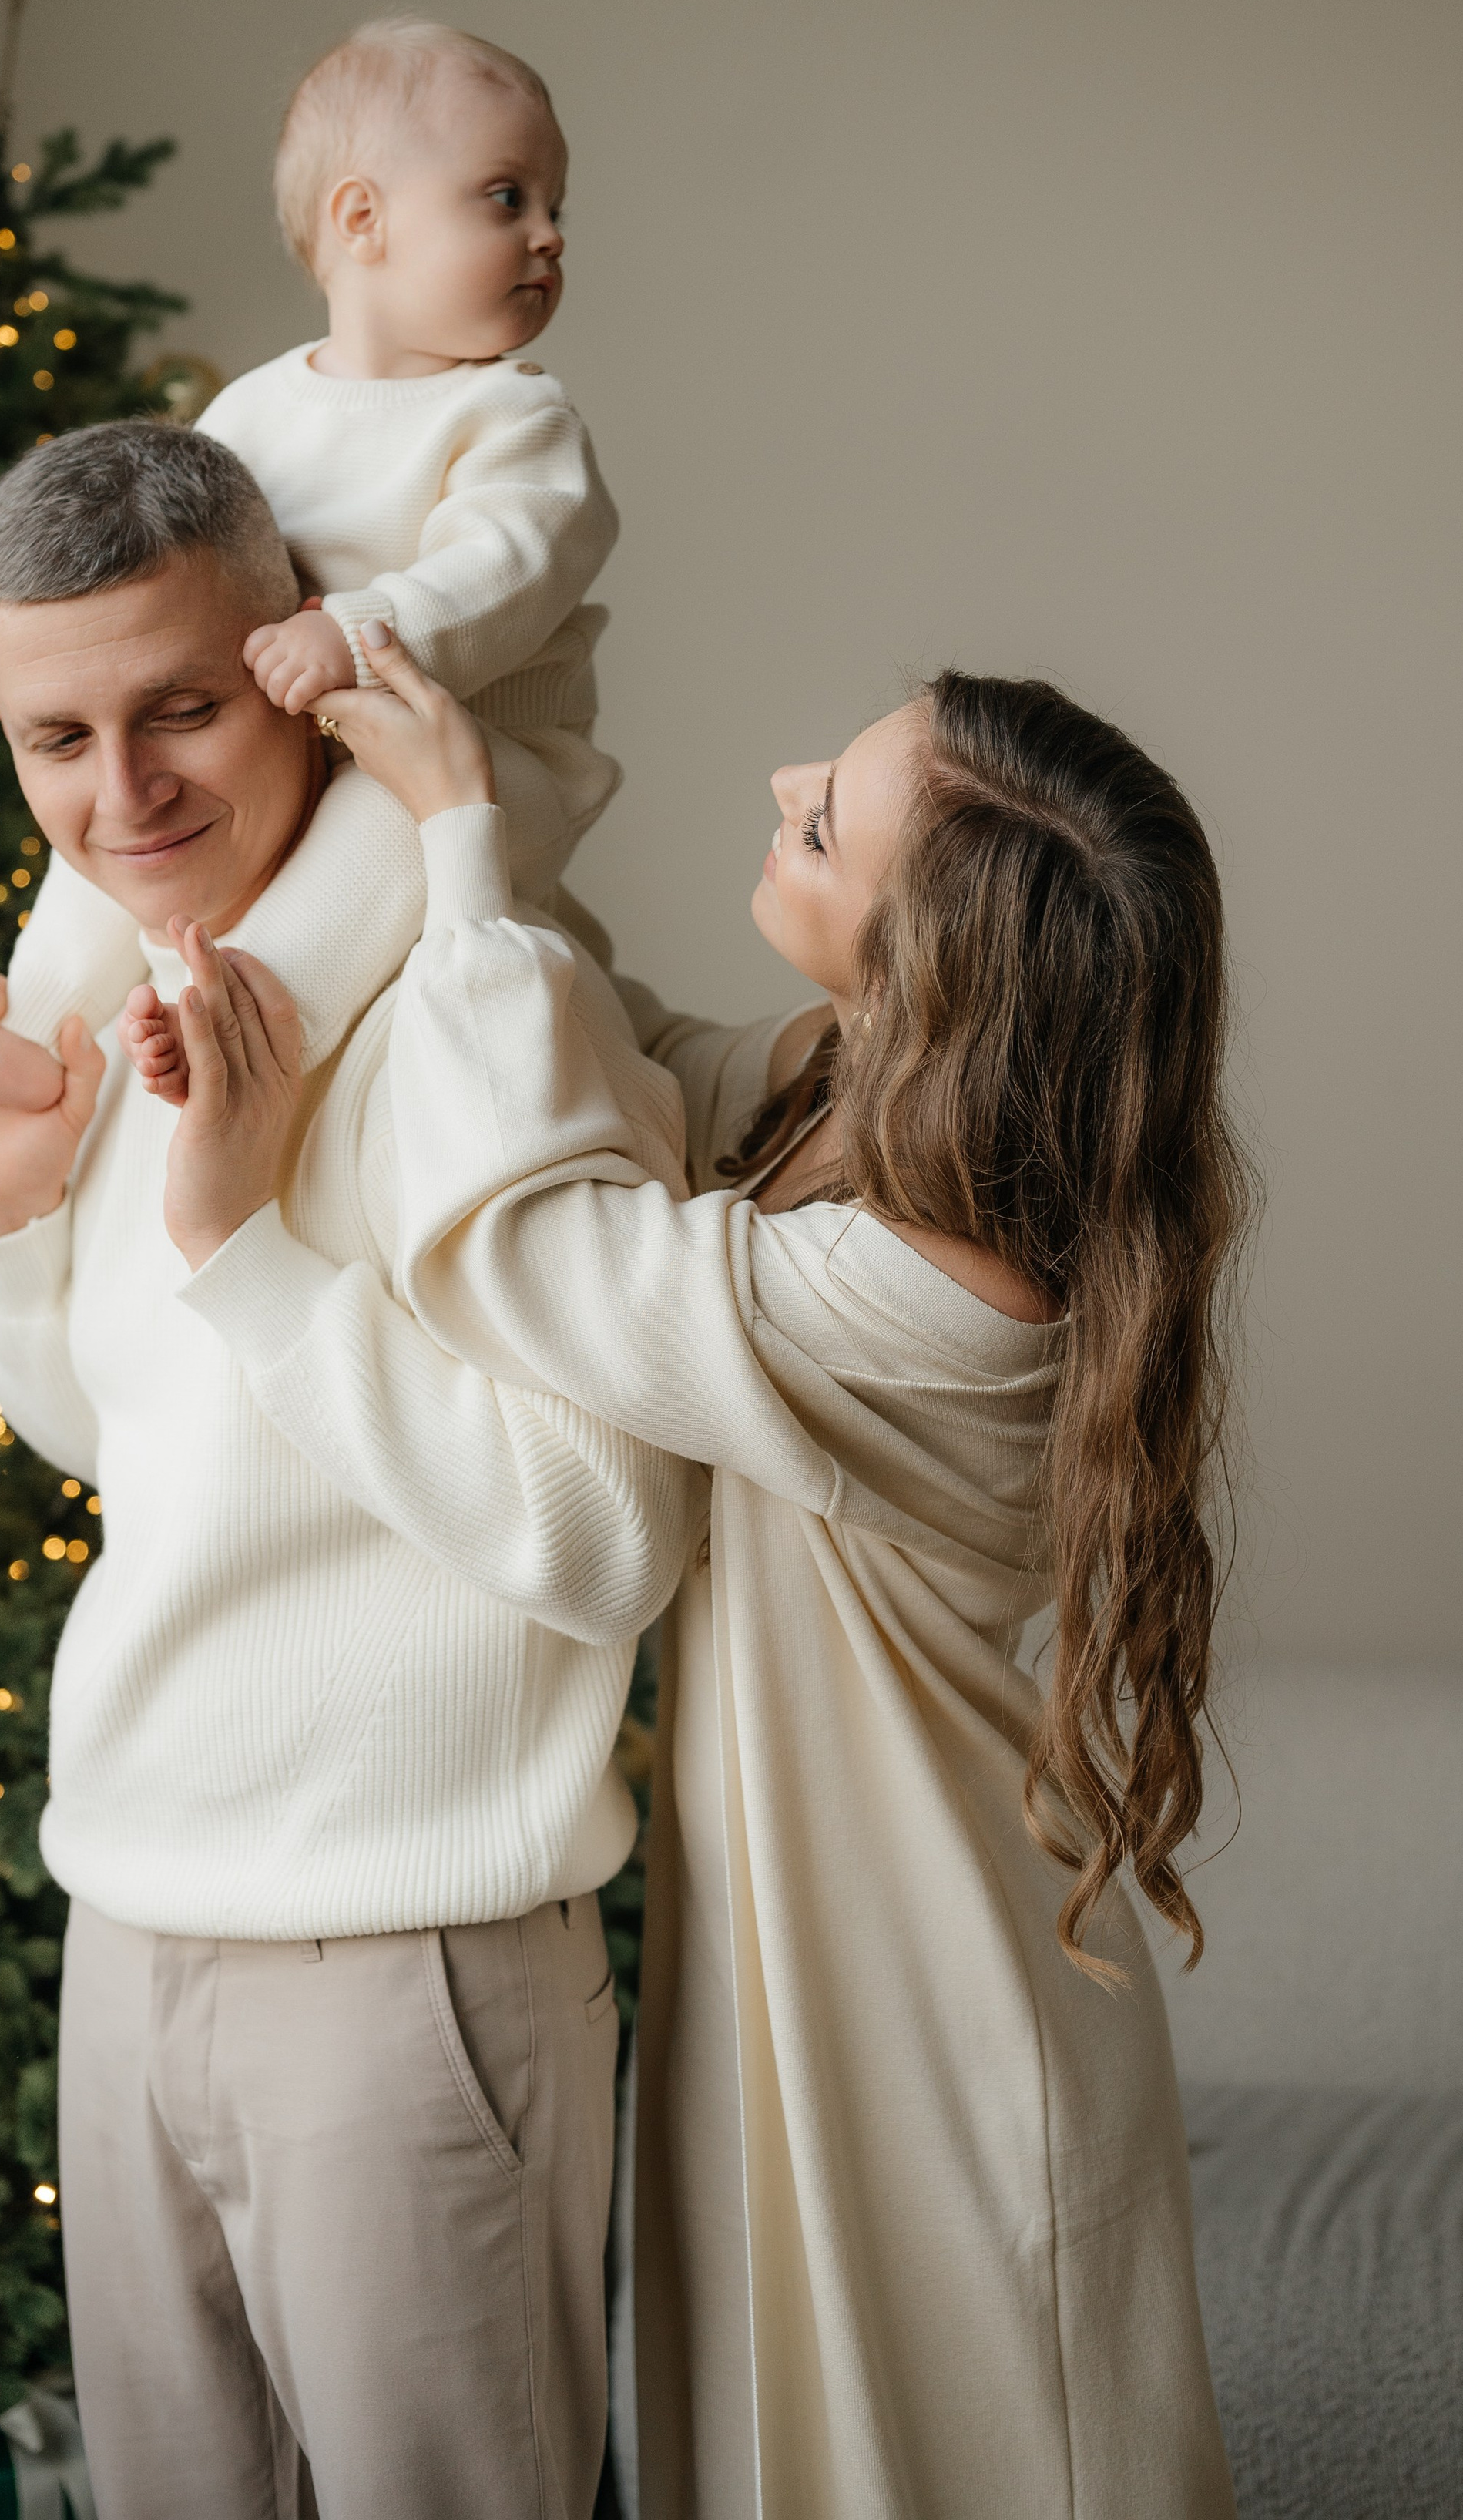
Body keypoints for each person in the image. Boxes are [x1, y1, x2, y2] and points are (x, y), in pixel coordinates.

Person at [163, 619, 1251, 2518]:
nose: (777, 787)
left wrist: (466, 837)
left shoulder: (928, 1298)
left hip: (920, 1996)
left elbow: (543, 1250)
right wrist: (452, 827)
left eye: (821, 823)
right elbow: (633, 1069)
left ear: (925, 973)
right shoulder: (857, 1094)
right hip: (832, 1956)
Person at [0, 421, 698, 2520]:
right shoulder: (141, 1003)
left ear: (298, 659)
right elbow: (120, 1441)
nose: (120, 797)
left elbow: (608, 1539)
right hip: (132, 1930)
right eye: (55, 739)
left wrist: (239, 1240)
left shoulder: (495, 1014)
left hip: (413, 1964)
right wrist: (2, 1222)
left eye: (181, 710)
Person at [0, 14, 619, 1109]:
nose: (549, 235)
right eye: (508, 198)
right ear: (361, 218)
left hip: (469, 761)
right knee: (112, 839)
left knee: (382, 831)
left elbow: (510, 571)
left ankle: (251, 1025)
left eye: (555, 207)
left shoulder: (516, 418)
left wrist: (355, 634)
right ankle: (33, 1037)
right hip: (304, 751)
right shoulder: (254, 409)